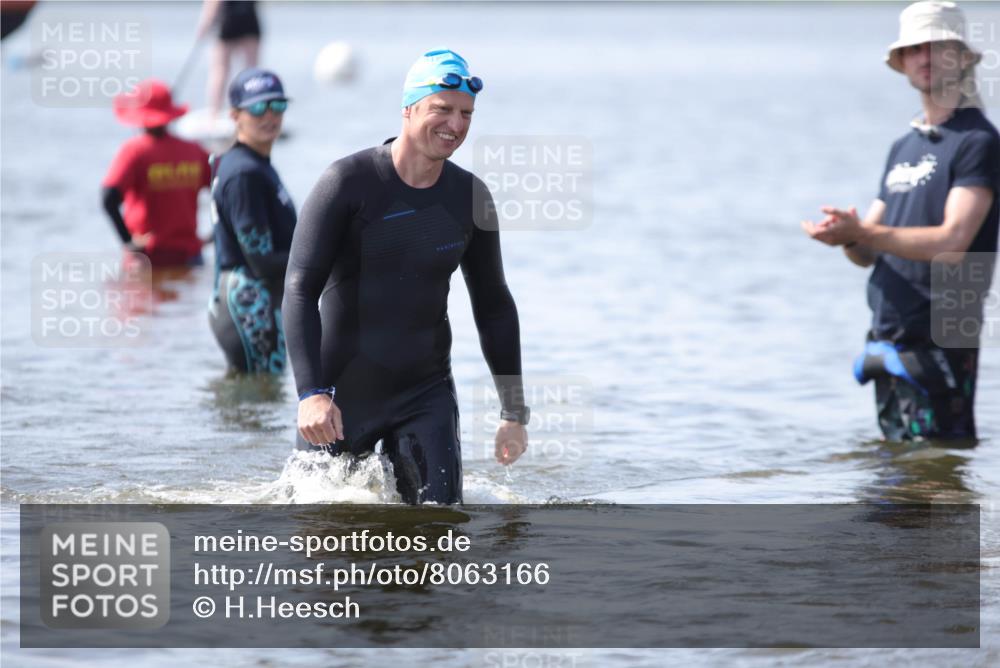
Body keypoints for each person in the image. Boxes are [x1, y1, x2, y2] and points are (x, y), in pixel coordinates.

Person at [283, 48, 530, 504]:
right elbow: (299, 291)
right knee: (324, 542)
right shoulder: (347, 182)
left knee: (441, 526)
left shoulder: (471, 197)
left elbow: (494, 305)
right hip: (342, 396)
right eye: (442, 109)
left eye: (466, 114)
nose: (455, 125)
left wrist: (513, 410)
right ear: (409, 108)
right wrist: (311, 393)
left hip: (425, 393)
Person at [802, 1, 998, 441]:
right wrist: (845, 238)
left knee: (939, 473)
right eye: (914, 49)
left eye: (938, 47)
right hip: (889, 337)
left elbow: (954, 239)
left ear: (963, 58)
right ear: (902, 62)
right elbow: (868, 251)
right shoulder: (903, 146)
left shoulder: (977, 141)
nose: (925, 57)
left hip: (942, 337)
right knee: (895, 486)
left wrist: (863, 232)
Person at [208, 68, 295, 374]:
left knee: (253, 411)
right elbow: (260, 261)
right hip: (248, 306)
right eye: (257, 107)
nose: (269, 116)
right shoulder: (245, 173)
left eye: (277, 106)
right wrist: (327, 258)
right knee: (256, 406)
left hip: (253, 302)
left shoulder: (250, 164)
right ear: (235, 115)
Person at [102, 79, 210, 267]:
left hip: (147, 257)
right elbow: (229, 191)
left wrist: (128, 242)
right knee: (188, 295)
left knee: (143, 296)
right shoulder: (194, 151)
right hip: (190, 256)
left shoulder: (134, 152)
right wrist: (215, 236)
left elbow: (108, 198)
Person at [196, 0, 261, 121]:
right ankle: (254, 110)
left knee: (220, 69)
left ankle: (214, 114)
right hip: (249, 18)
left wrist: (206, 22)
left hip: (228, 18)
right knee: (251, 71)